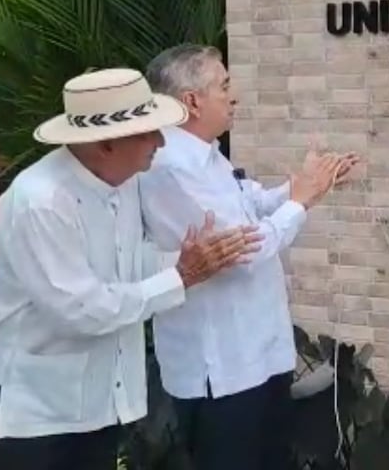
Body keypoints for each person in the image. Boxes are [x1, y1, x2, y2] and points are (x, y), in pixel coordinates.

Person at [0, 67, 264, 470]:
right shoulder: (41, 201)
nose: (160, 141)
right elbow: (81, 309)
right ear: (104, 142)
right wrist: (182, 276)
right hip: (32, 417)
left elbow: (128, 264)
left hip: (96, 407)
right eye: (147, 132)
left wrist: (187, 262)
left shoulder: (123, 181)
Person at [138, 44, 360, 470]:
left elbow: (252, 202)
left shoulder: (207, 156)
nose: (233, 96)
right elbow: (240, 249)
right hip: (222, 371)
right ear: (191, 101)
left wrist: (305, 185)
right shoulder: (169, 167)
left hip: (260, 355)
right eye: (224, 86)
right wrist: (300, 201)